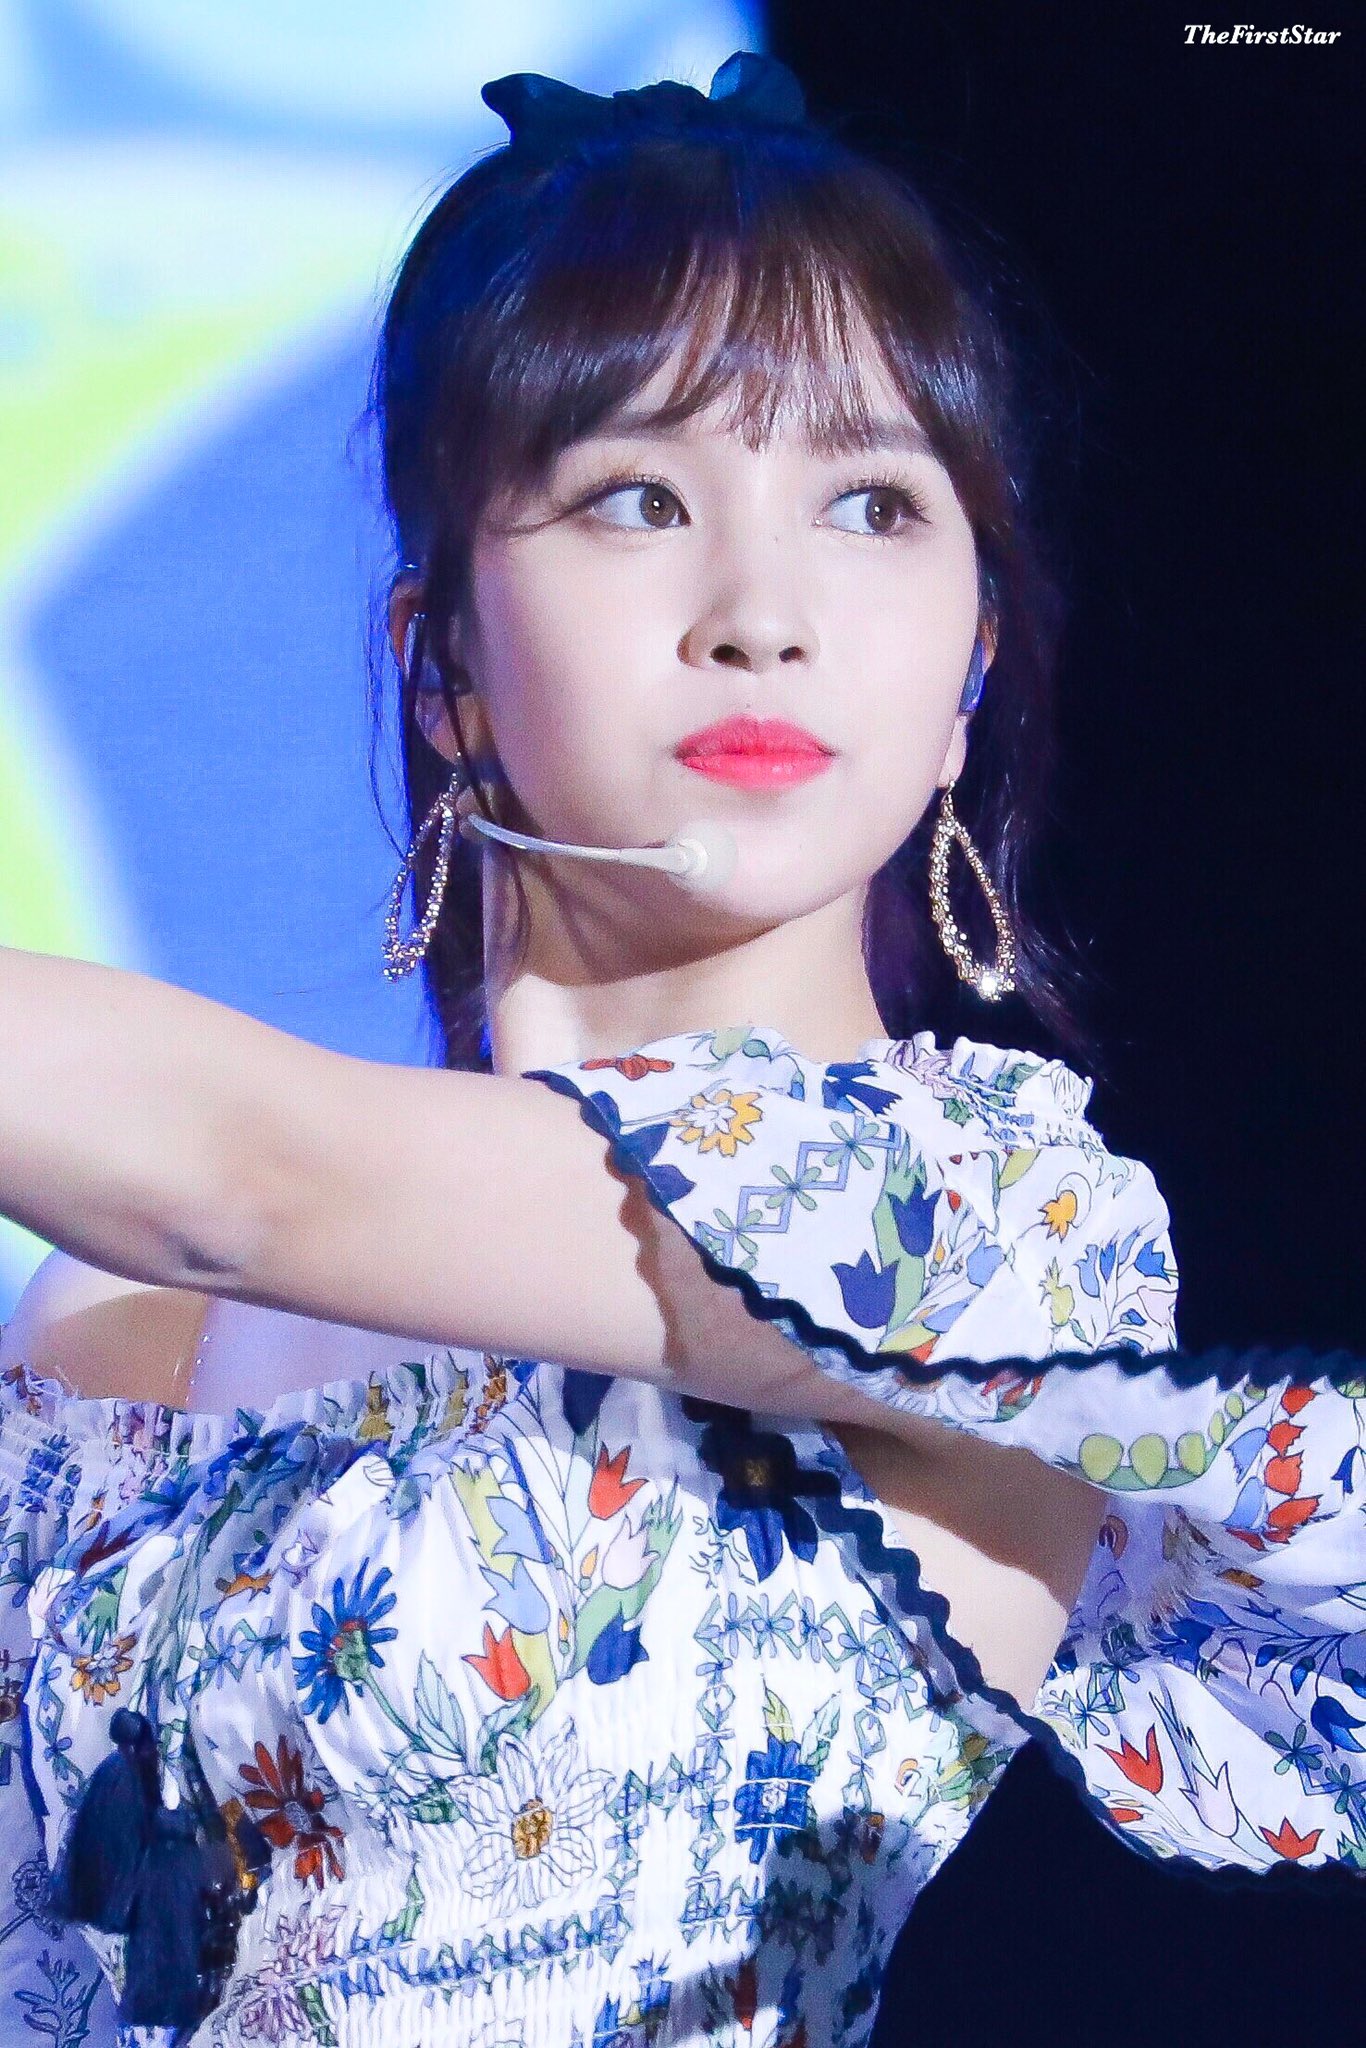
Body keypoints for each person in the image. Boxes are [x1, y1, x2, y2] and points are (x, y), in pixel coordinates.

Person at [0, 49, 1362, 2048]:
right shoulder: (117, 1320)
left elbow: (245, 1173)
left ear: (969, 667)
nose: (760, 610)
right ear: (442, 664)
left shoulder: (987, 1225)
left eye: (870, 505)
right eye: (637, 497)